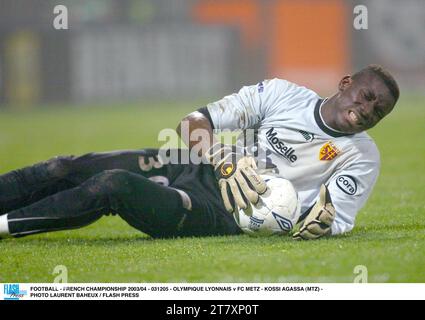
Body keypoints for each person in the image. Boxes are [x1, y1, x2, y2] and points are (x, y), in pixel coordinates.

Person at [0, 65, 399, 240]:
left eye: (378, 112)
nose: (367, 111)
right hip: (194, 164)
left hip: (221, 213)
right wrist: (222, 159)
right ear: (346, 83)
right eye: (366, 98)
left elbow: (337, 215)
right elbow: (192, 122)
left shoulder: (361, 157)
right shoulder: (281, 94)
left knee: (113, 185)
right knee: (66, 166)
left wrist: (324, 224)